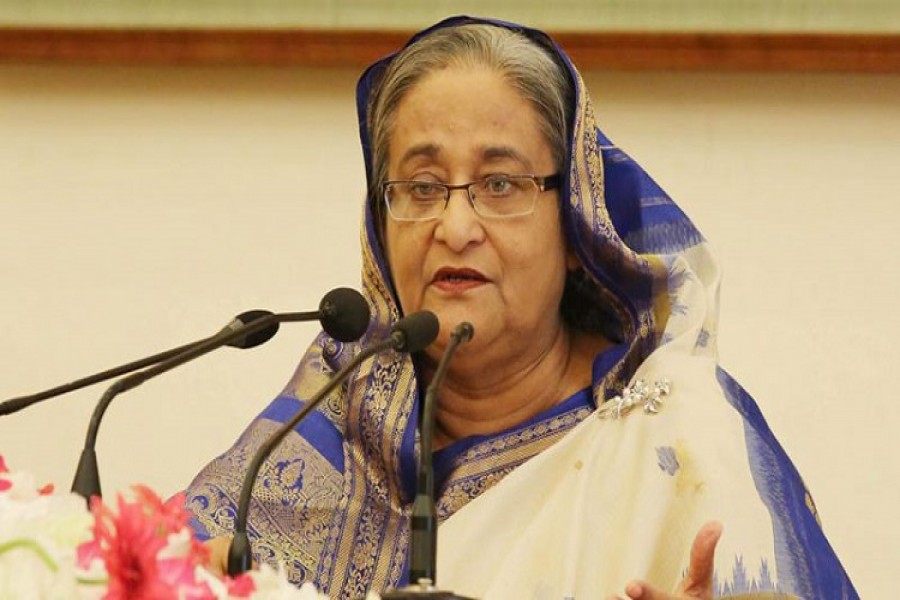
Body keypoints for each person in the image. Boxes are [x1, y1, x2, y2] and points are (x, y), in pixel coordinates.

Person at [185, 16, 857, 599]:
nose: (455, 227)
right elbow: (169, 564)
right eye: (422, 185)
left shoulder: (682, 441)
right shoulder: (331, 410)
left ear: (576, 225)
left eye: (501, 183)